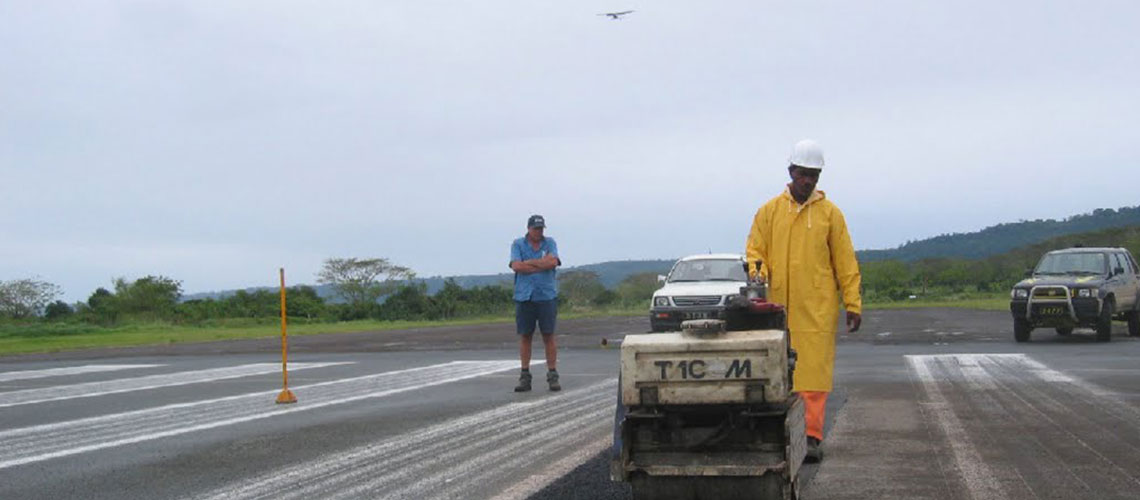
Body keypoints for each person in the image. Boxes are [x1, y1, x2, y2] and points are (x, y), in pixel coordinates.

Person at [745, 139, 862, 463]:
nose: (808, 180)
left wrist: (852, 303)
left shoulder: (830, 214)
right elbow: (755, 252)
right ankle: (776, 434)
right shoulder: (768, 212)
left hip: (817, 310)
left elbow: (846, 261)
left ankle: (811, 438)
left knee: (812, 375)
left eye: (814, 175)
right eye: (803, 174)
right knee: (777, 372)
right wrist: (758, 276)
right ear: (791, 171)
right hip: (777, 309)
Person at [509, 214, 562, 392]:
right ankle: (525, 376)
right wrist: (541, 263)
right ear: (529, 229)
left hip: (546, 295)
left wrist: (529, 263)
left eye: (541, 229)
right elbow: (516, 266)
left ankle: (552, 375)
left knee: (549, 335)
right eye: (536, 229)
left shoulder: (550, 242)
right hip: (525, 296)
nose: (539, 232)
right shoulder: (518, 244)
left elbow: (553, 262)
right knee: (525, 336)